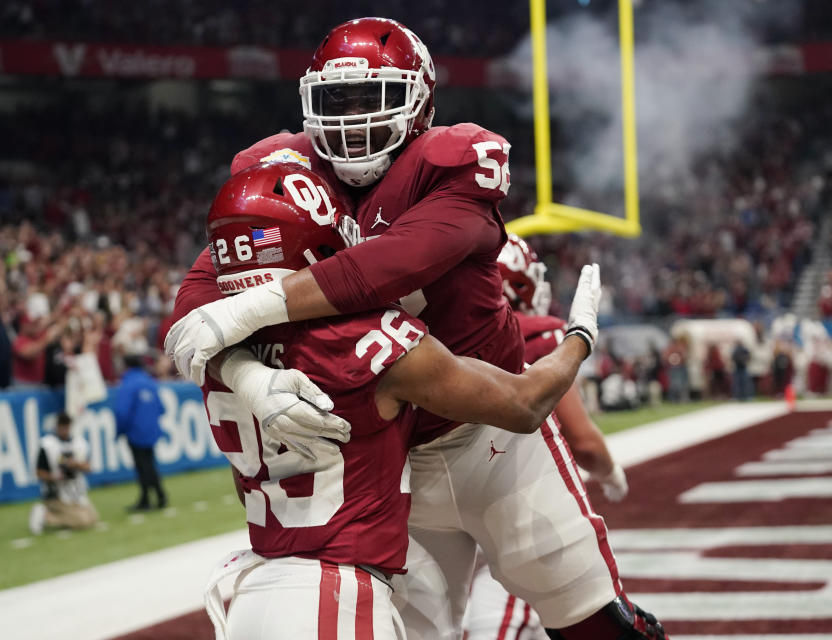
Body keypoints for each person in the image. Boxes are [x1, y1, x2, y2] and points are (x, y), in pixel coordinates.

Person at [166, 18, 667, 640]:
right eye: (335, 100)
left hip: (492, 438)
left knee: (596, 623)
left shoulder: (454, 160)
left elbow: (394, 262)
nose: (350, 119)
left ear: (419, 100)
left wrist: (246, 313)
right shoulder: (280, 169)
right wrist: (244, 370)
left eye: (371, 97)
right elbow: (198, 307)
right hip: (391, 459)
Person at [198, 162, 598, 639]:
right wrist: (579, 336)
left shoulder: (216, 350)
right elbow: (524, 404)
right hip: (334, 592)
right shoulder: (363, 340)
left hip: (251, 590)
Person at [463, 235, 629, 640]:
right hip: (509, 506)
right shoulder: (537, 335)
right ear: (517, 285)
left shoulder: (434, 330)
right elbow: (585, 444)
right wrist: (612, 474)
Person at [113, 354, 167, 511]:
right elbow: (161, 408)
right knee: (149, 463)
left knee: (142, 466)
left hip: (135, 432)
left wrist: (119, 431)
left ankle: (150, 498)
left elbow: (122, 411)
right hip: (151, 430)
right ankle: (156, 495)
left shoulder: (128, 383)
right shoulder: (149, 381)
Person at [29, 413, 98, 534]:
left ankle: (55, 516)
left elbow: (89, 467)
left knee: (93, 518)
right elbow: (39, 472)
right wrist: (54, 477)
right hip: (56, 495)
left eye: (66, 427)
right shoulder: (47, 445)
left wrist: (77, 465)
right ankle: (45, 516)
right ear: (57, 427)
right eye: (62, 427)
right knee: (82, 521)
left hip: (76, 494)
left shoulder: (79, 443)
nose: (64, 430)